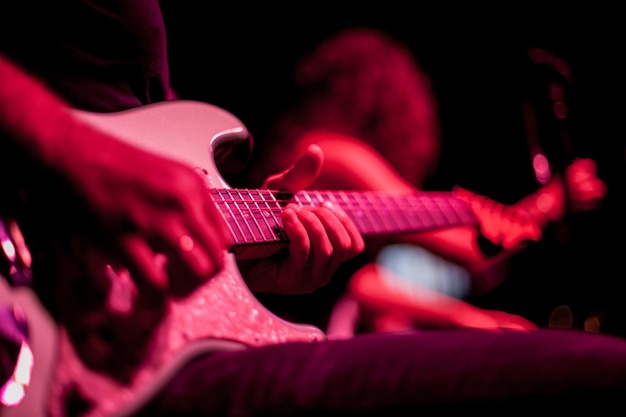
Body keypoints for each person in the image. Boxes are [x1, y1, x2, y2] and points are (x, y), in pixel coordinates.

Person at [1, 4, 626, 417]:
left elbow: (160, 170)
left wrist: (239, 271)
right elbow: (462, 249)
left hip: (130, 340)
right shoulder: (338, 150)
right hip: (42, 291)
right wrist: (68, 150)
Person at [244, 27, 608, 335]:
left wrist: (469, 319)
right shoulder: (335, 155)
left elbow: (370, 285)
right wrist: (552, 202)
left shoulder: (315, 149)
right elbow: (467, 245)